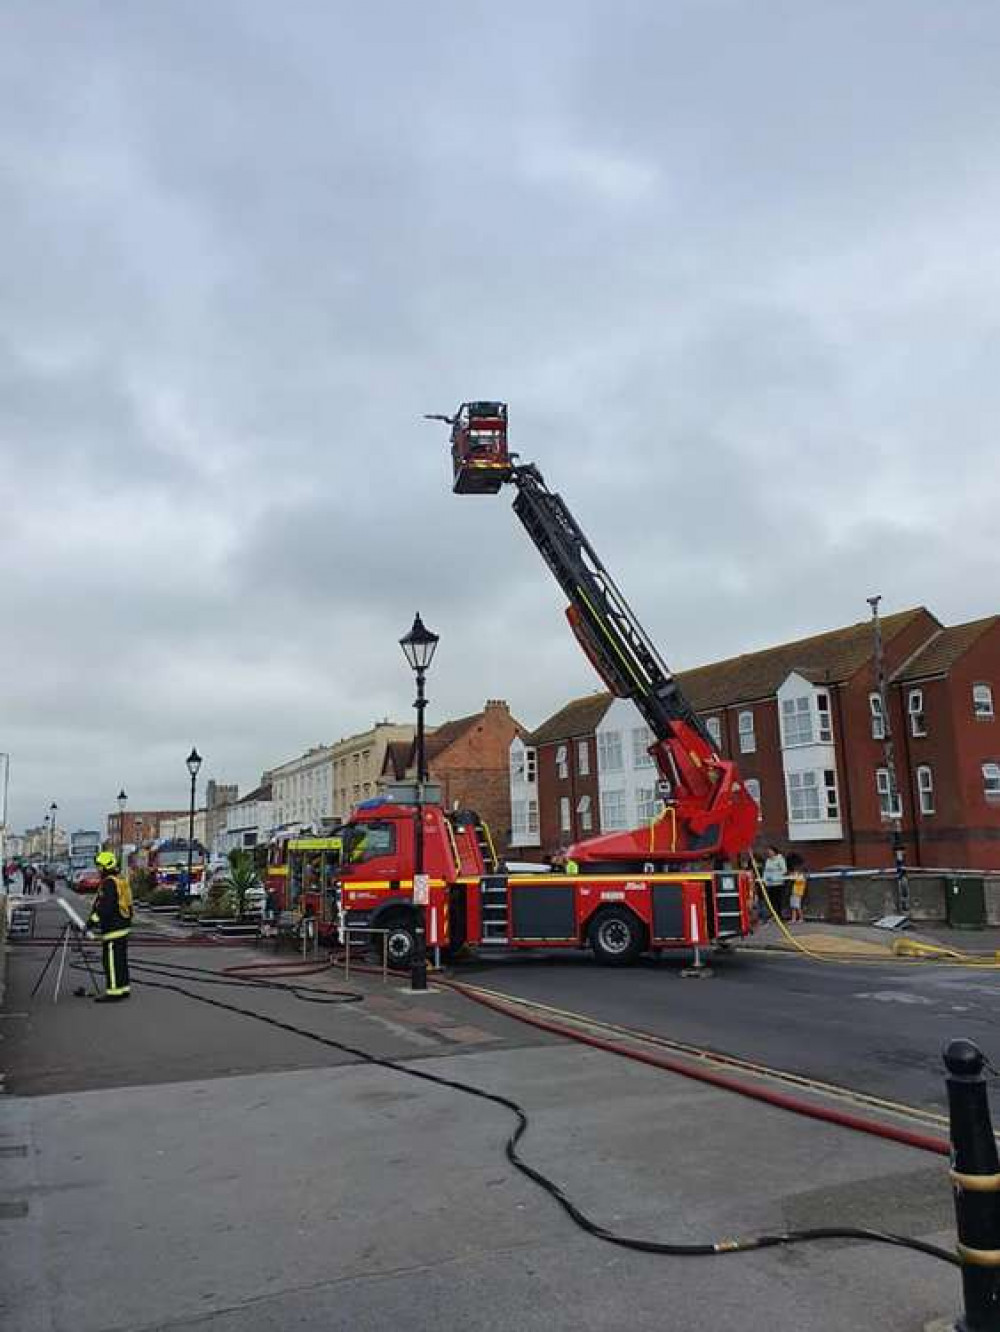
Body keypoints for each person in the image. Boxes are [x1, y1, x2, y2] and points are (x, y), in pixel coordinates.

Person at [88, 850, 133, 1003]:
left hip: (113, 928)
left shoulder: (108, 883)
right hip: (123, 926)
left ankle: (113, 992)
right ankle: (124, 988)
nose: (98, 870)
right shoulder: (119, 880)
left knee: (111, 962)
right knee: (121, 960)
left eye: (99, 867)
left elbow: (104, 908)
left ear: (104, 867)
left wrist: (92, 922)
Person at [761, 845, 788, 920]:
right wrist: (764, 879)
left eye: (770, 851)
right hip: (770, 883)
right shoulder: (768, 860)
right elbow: (765, 871)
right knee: (771, 900)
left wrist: (776, 874)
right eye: (768, 852)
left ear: (774, 851)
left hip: (778, 882)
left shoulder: (780, 859)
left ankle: (779, 915)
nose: (769, 853)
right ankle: (773, 914)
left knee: (778, 900)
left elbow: (784, 870)